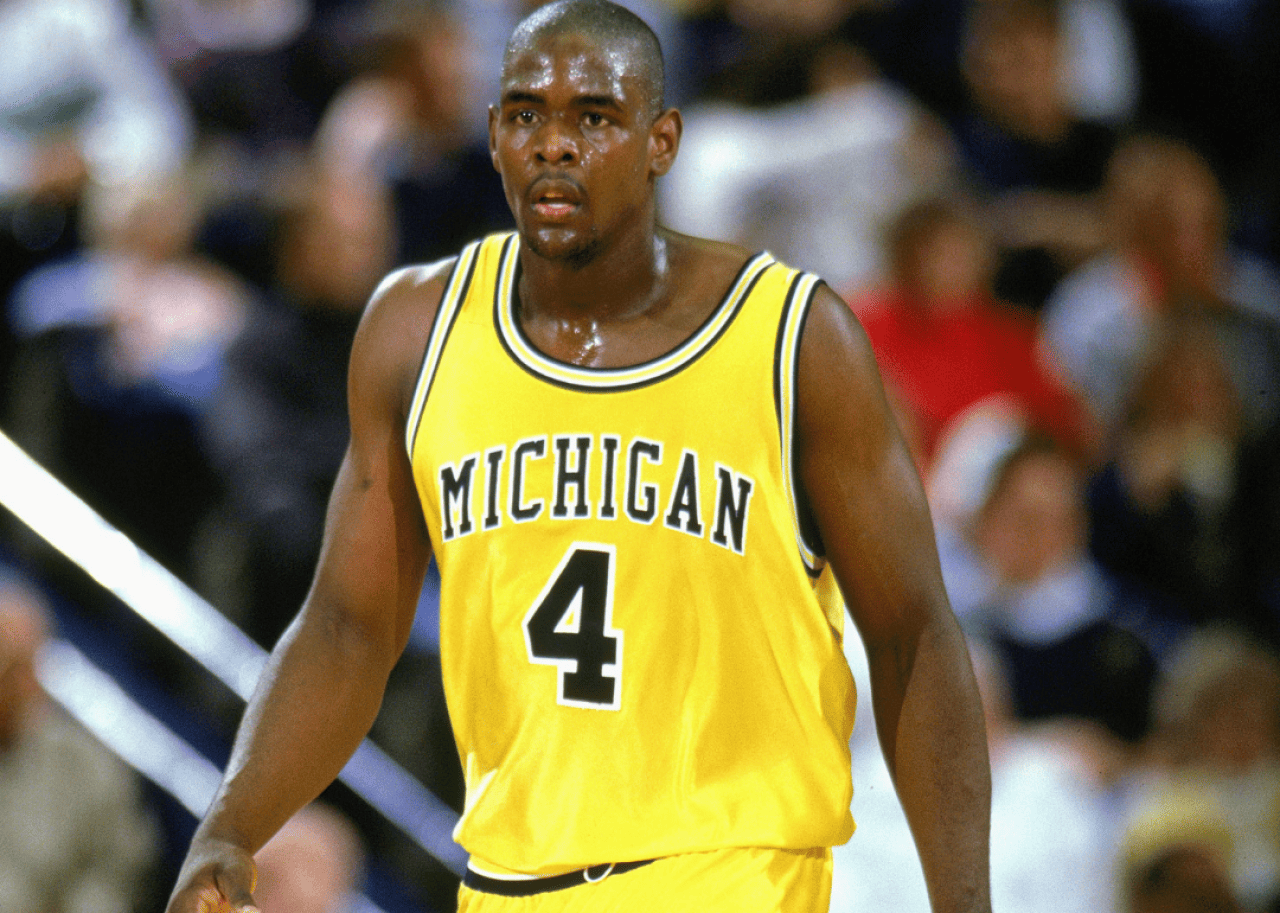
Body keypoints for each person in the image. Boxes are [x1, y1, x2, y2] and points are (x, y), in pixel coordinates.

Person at [165, 2, 992, 911]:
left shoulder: (795, 339)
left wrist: (962, 900)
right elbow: (346, 627)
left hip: (733, 878)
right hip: (508, 881)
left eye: (593, 117)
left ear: (661, 140)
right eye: (527, 114)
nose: (554, 144)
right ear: (493, 137)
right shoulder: (415, 331)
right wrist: (230, 826)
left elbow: (915, 636)